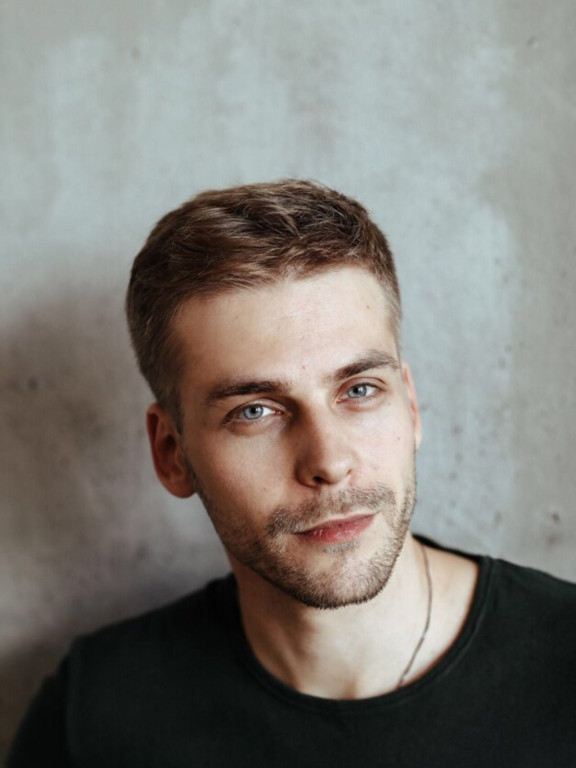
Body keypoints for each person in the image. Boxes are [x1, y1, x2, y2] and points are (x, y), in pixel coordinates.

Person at [8, 180, 576, 767]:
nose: (329, 462)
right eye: (255, 411)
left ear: (410, 406)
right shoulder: (98, 713)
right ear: (172, 453)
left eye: (360, 390)